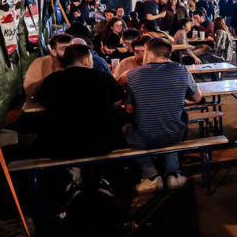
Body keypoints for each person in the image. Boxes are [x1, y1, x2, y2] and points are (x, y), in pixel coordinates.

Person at [37, 43, 126, 206]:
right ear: (86, 60)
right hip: (101, 142)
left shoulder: (52, 80)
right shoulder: (103, 78)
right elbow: (119, 101)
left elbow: (42, 103)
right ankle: (102, 180)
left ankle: (71, 179)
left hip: (60, 144)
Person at [123, 37, 203, 192]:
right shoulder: (182, 70)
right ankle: (173, 173)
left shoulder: (132, 74)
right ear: (168, 54)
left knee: (127, 129)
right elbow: (198, 98)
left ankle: (150, 174)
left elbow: (129, 109)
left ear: (148, 53)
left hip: (144, 138)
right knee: (174, 120)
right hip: (173, 134)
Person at [24, 33, 74, 97]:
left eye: (71, 49)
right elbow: (29, 92)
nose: (69, 52)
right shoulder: (41, 63)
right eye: (63, 49)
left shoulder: (76, 60)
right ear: (53, 52)